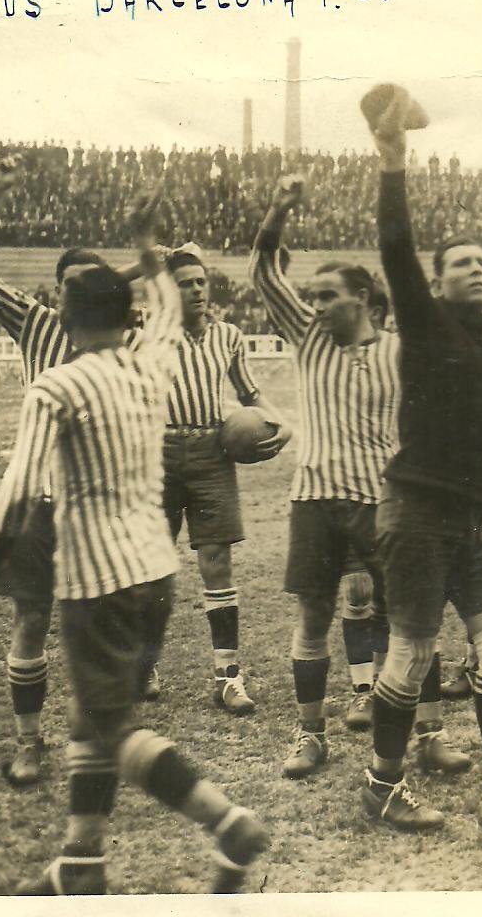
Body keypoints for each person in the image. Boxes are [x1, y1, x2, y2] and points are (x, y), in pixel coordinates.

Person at [0, 218, 269, 895]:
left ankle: (226, 821)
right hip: (155, 575)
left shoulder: (57, 387)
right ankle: (81, 858)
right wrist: (150, 254)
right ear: (126, 315)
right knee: (93, 716)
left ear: (69, 321)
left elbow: (20, 485)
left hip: (96, 582)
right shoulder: (151, 364)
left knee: (112, 729)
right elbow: (166, 309)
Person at [363, 87, 482, 841]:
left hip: (478, 519)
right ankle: (382, 785)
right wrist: (393, 161)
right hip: (416, 512)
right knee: (412, 656)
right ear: (438, 281)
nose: (476, 270)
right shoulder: (425, 322)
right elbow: (392, 246)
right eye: (460, 264)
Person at [251, 176, 473, 779]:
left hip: (386, 503)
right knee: (312, 619)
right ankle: (308, 735)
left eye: (327, 296)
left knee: (411, 619)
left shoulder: (401, 352)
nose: (315, 306)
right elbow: (263, 275)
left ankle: (429, 735)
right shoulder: (307, 340)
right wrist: (277, 210)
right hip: (314, 499)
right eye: (313, 297)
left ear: (362, 300)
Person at [0, 157, 137, 787]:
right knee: (32, 620)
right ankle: (30, 744)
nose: (80, 296)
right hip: (42, 503)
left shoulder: (123, 342)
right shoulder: (33, 323)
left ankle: (102, 742)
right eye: (72, 285)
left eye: (92, 285)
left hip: (101, 509)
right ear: (56, 293)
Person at [159, 247, 287, 715]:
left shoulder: (227, 336)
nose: (195, 290)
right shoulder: (144, 334)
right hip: (159, 453)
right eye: (183, 283)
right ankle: (144, 662)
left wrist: (282, 423)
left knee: (216, 564)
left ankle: (228, 676)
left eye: (200, 282)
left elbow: (249, 392)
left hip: (213, 451)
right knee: (151, 564)